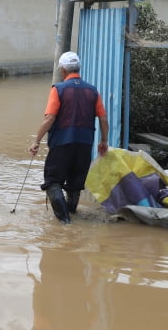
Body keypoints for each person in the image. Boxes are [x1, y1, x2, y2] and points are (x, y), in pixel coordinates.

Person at [28, 51, 109, 224]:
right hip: (85, 145)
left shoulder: (58, 89)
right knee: (75, 184)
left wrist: (36, 141)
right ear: (78, 68)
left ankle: (66, 223)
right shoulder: (93, 91)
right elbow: (103, 118)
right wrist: (104, 141)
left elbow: (49, 118)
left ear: (63, 70)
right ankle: (71, 215)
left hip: (61, 145)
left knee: (52, 182)